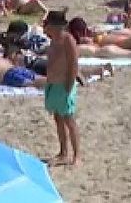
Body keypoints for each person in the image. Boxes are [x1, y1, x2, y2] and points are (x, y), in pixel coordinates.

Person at [42, 10, 80, 166]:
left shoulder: (68, 40)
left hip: (65, 85)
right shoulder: (53, 40)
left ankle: (77, 156)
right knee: (58, 118)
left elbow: (73, 64)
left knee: (69, 120)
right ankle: (63, 152)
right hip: (53, 84)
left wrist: (69, 86)